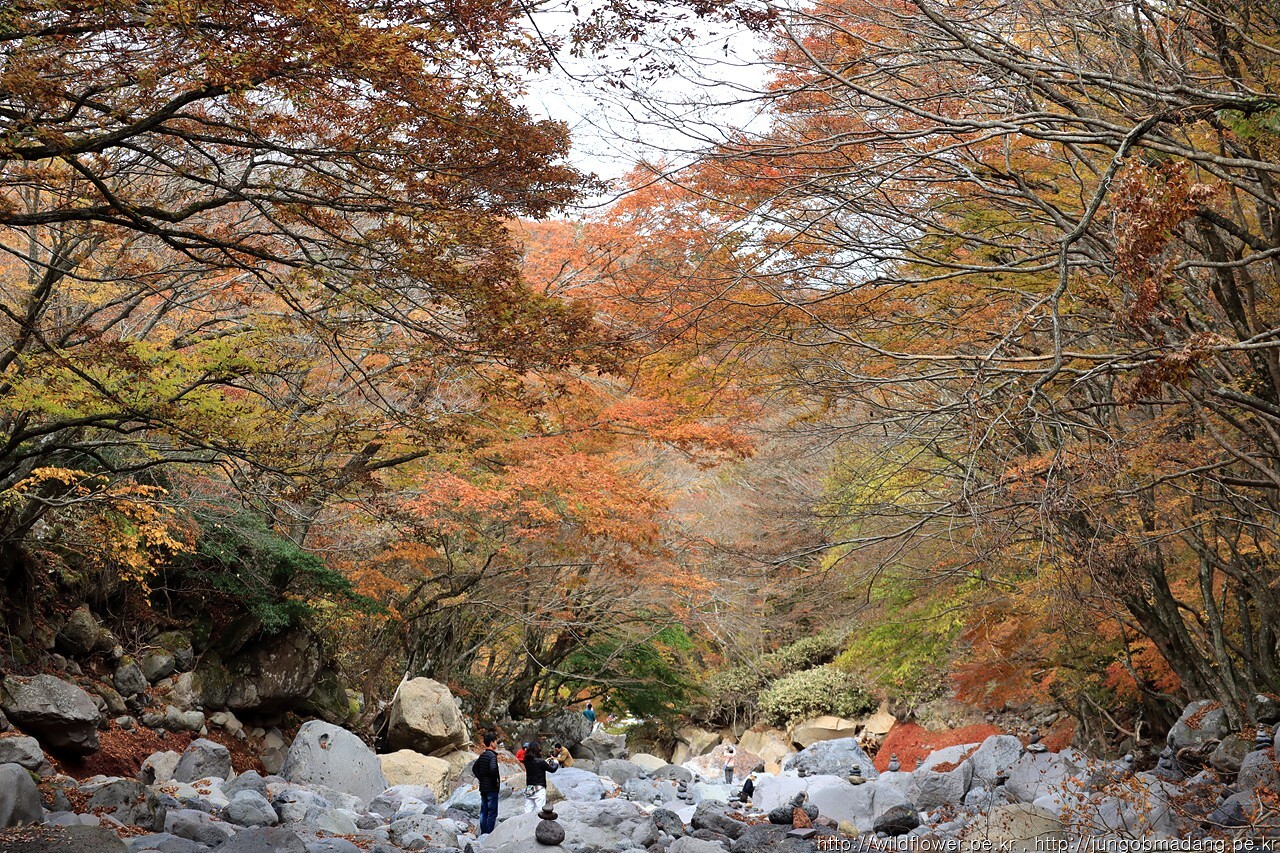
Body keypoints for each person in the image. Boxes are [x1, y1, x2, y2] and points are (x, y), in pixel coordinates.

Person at [473, 731, 501, 836]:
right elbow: (493, 769)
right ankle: (488, 835)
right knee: (492, 813)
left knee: (484, 811)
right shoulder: (492, 756)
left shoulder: (483, 755)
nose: (496, 744)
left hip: (483, 787)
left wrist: (482, 779)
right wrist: (494, 782)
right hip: (491, 788)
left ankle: (483, 834)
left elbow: (474, 768)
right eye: (495, 741)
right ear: (492, 743)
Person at [522, 740, 559, 814]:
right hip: (539, 789)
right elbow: (552, 769)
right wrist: (556, 763)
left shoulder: (526, 761)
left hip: (529, 788)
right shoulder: (541, 762)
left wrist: (545, 762)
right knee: (539, 812)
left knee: (527, 811)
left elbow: (535, 764)